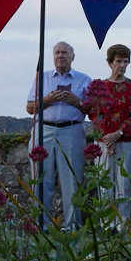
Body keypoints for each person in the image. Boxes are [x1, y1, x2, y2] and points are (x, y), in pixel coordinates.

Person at [25, 40, 93, 229]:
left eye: (64, 53)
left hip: (71, 130)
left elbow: (93, 109)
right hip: (44, 130)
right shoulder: (42, 78)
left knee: (72, 179)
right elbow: (30, 108)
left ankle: (72, 225)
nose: (60, 56)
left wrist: (76, 101)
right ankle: (41, 224)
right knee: (41, 179)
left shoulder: (84, 80)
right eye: (57, 53)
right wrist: (47, 100)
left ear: (73, 56)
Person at [85, 44, 131, 226]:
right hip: (103, 143)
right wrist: (106, 139)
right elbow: (94, 114)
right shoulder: (100, 87)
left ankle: (122, 225)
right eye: (118, 61)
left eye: (126, 61)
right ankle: (106, 224)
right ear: (110, 63)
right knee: (105, 183)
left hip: (125, 141)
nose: (122, 65)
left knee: (123, 183)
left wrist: (118, 134)